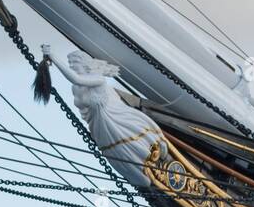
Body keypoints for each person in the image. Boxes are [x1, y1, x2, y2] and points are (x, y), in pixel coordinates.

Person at [39, 45, 162, 188]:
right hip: (98, 126)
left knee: (130, 146)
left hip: (113, 119)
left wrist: (53, 57)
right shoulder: (76, 88)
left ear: (85, 64)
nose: (72, 67)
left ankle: (152, 168)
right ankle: (143, 177)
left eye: (74, 64)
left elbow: (76, 79)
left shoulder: (97, 79)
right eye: (70, 64)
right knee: (118, 154)